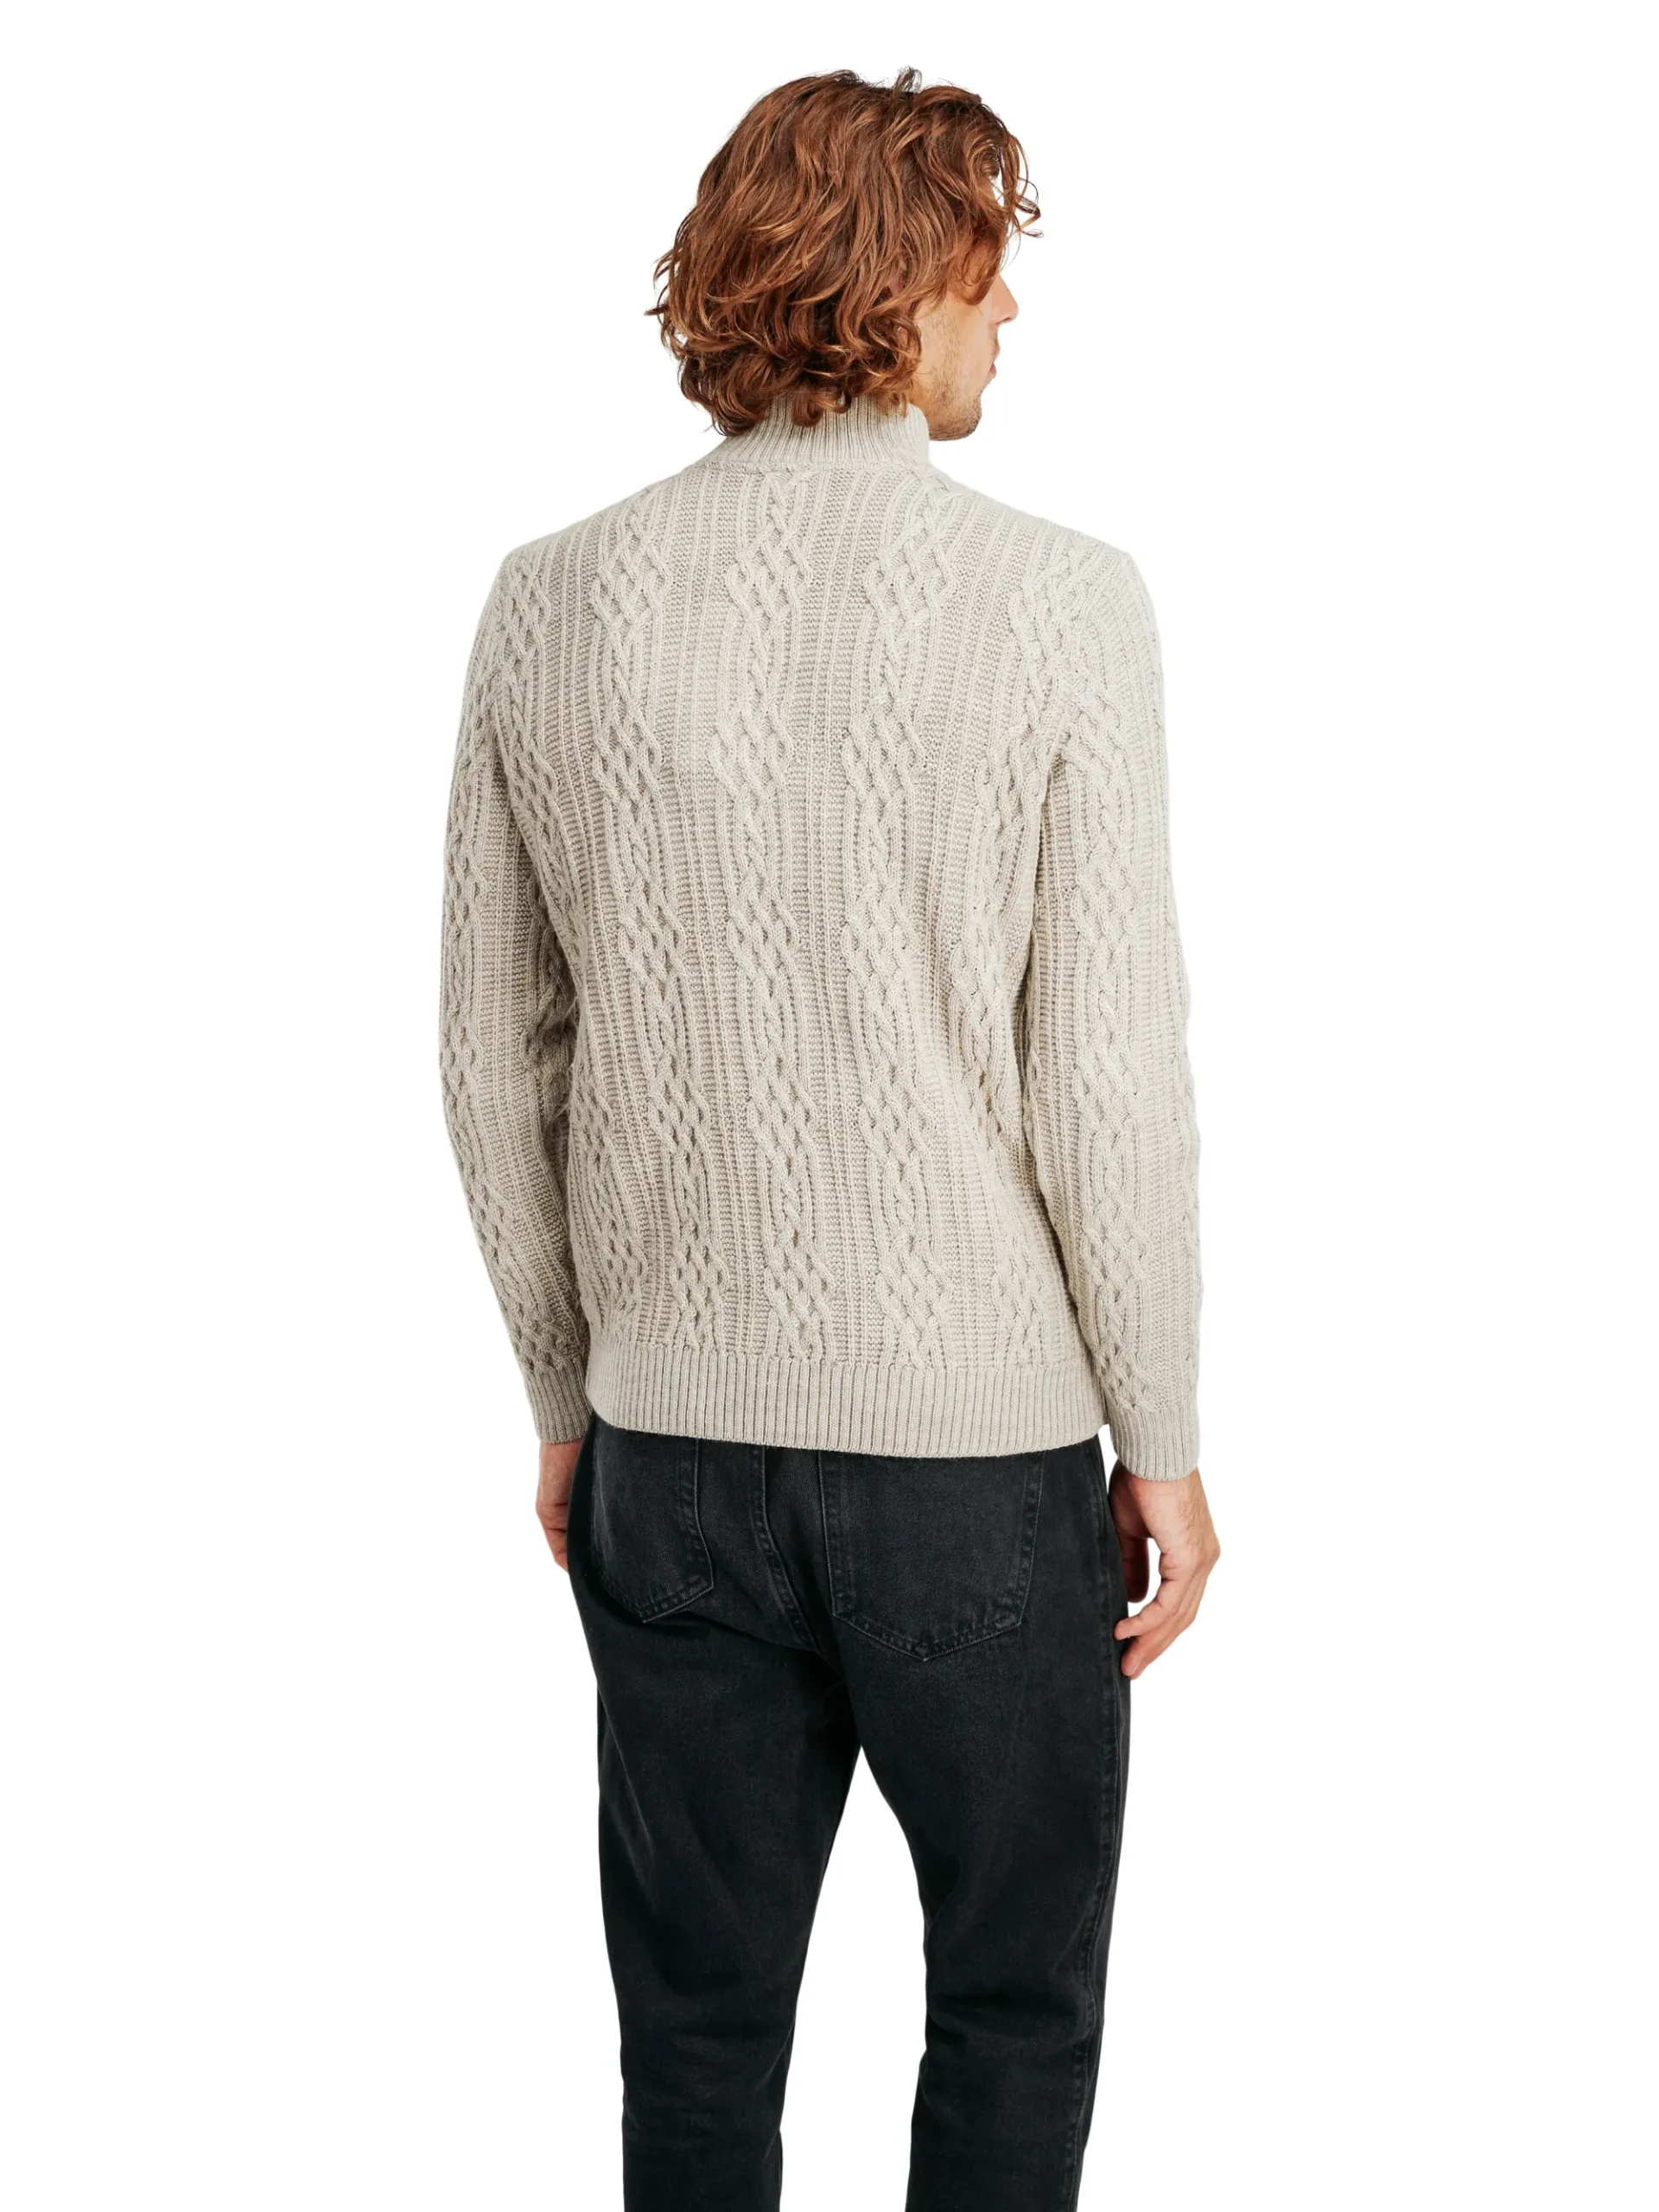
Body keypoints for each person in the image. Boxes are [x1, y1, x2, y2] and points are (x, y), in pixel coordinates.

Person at [439, 65, 1220, 2212]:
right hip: (980, 1467)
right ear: (903, 276)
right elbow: (1109, 1067)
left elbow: (494, 1052)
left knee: (694, 2038)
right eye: (988, 263)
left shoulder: (549, 597)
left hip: (672, 1453)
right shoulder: (1065, 601)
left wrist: (567, 1392)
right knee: (1016, 2007)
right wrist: (1159, 1434)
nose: (1010, 312)